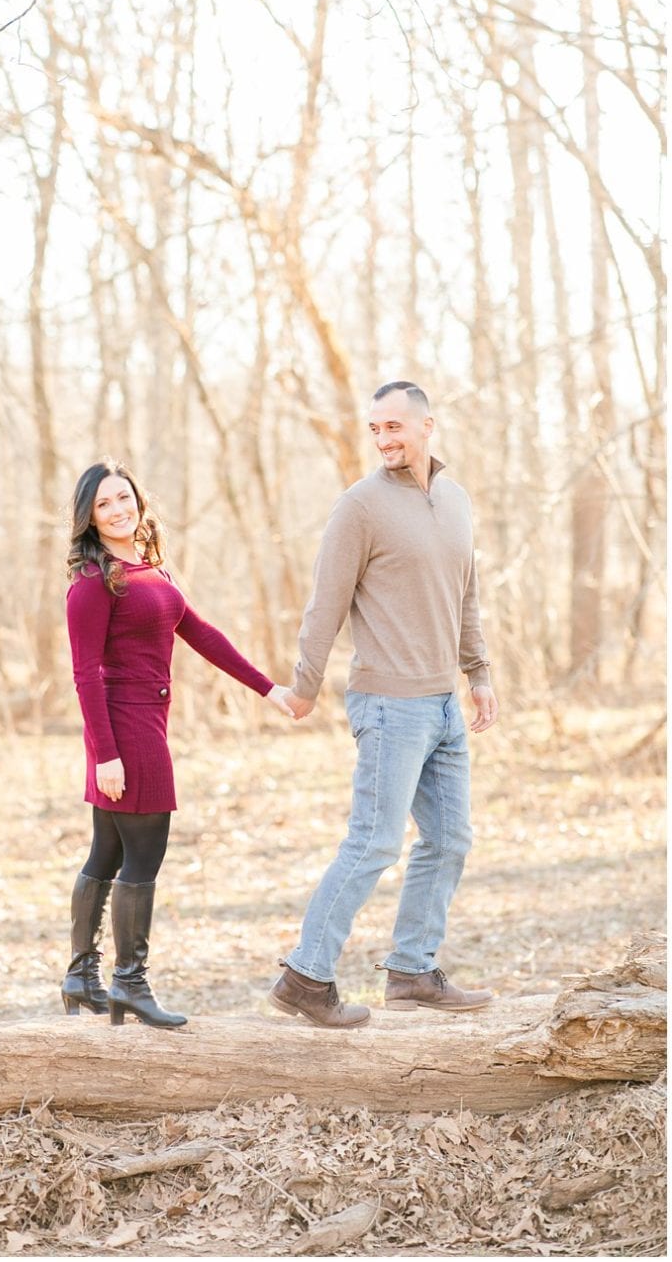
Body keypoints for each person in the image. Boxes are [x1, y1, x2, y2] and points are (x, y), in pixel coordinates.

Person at [270, 381, 498, 1029]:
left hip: (444, 705)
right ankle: (305, 976)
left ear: (429, 425)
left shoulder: (456, 501)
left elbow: (467, 595)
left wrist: (478, 670)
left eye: (395, 426)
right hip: (388, 704)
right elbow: (326, 602)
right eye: (376, 428)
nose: (384, 439)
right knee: (373, 843)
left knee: (451, 837)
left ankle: (412, 970)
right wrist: (305, 684)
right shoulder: (360, 507)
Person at [61, 460, 296, 1028]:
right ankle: (129, 984)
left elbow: (204, 635)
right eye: (104, 505)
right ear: (89, 518)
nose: (118, 511)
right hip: (126, 729)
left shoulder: (150, 573)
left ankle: (81, 976)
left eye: (124, 499)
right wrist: (107, 754)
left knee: (108, 854)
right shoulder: (96, 582)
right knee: (144, 856)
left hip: (141, 724)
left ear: (139, 502)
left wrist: (270, 689)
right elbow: (86, 674)